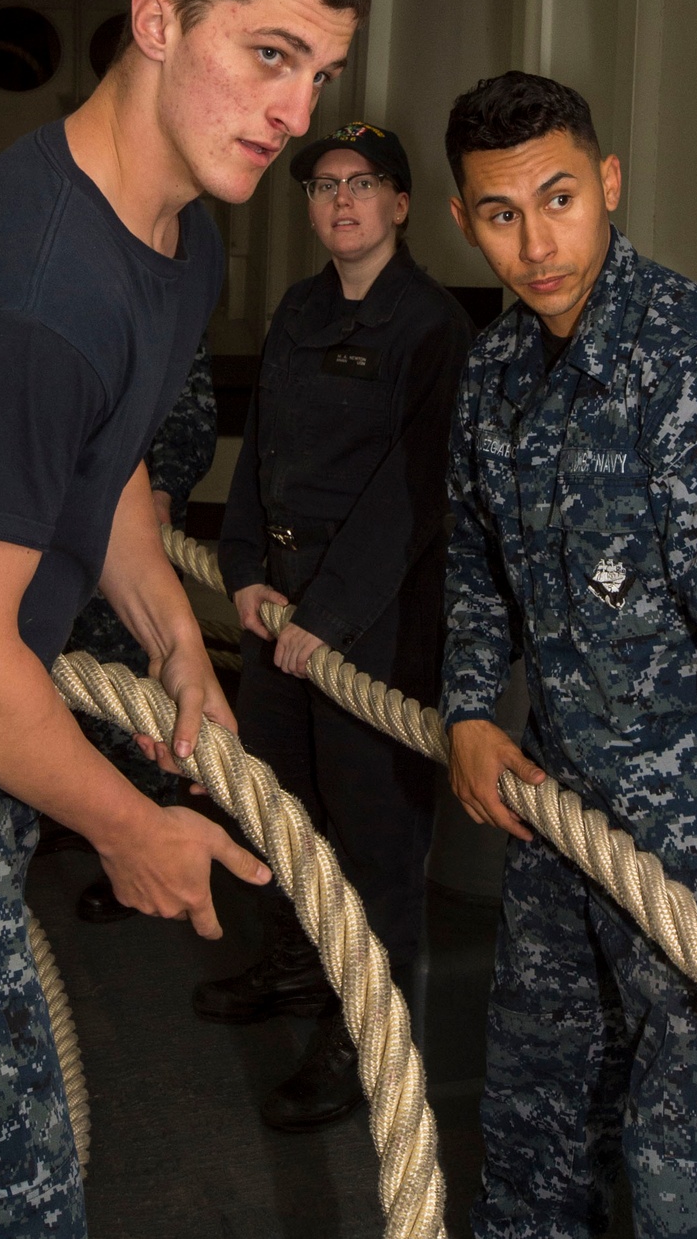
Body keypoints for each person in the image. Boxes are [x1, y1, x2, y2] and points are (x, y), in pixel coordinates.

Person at [0, 0, 369, 1237]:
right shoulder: (30, 292)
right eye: (269, 55)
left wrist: (165, 631)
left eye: (319, 72)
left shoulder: (177, 234)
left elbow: (120, 471)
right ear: (156, 19)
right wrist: (130, 823)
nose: (295, 111)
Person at [440, 71, 697, 1239]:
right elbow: (475, 555)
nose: (537, 243)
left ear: (608, 183)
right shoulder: (494, 374)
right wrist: (471, 705)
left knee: (696, 1181)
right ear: (465, 220)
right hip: (562, 827)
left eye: (560, 198)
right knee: (530, 1133)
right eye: (501, 214)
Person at [202, 121, 474, 1131]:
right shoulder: (302, 307)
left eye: (363, 184)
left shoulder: (432, 328)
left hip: (371, 628)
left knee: (374, 845)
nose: (342, 201)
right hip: (279, 615)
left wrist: (326, 617)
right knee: (278, 811)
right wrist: (238, 573)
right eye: (322, 185)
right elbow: (263, 451)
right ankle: (294, 969)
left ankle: (372, 1035)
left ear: (400, 205)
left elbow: (414, 499)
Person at [67, 341, 218, 924]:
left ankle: (143, 835)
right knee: (63, 679)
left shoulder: (164, 305)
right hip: (53, 529)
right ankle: (76, 813)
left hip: (128, 532)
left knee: (138, 693)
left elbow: (189, 416)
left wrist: (159, 496)